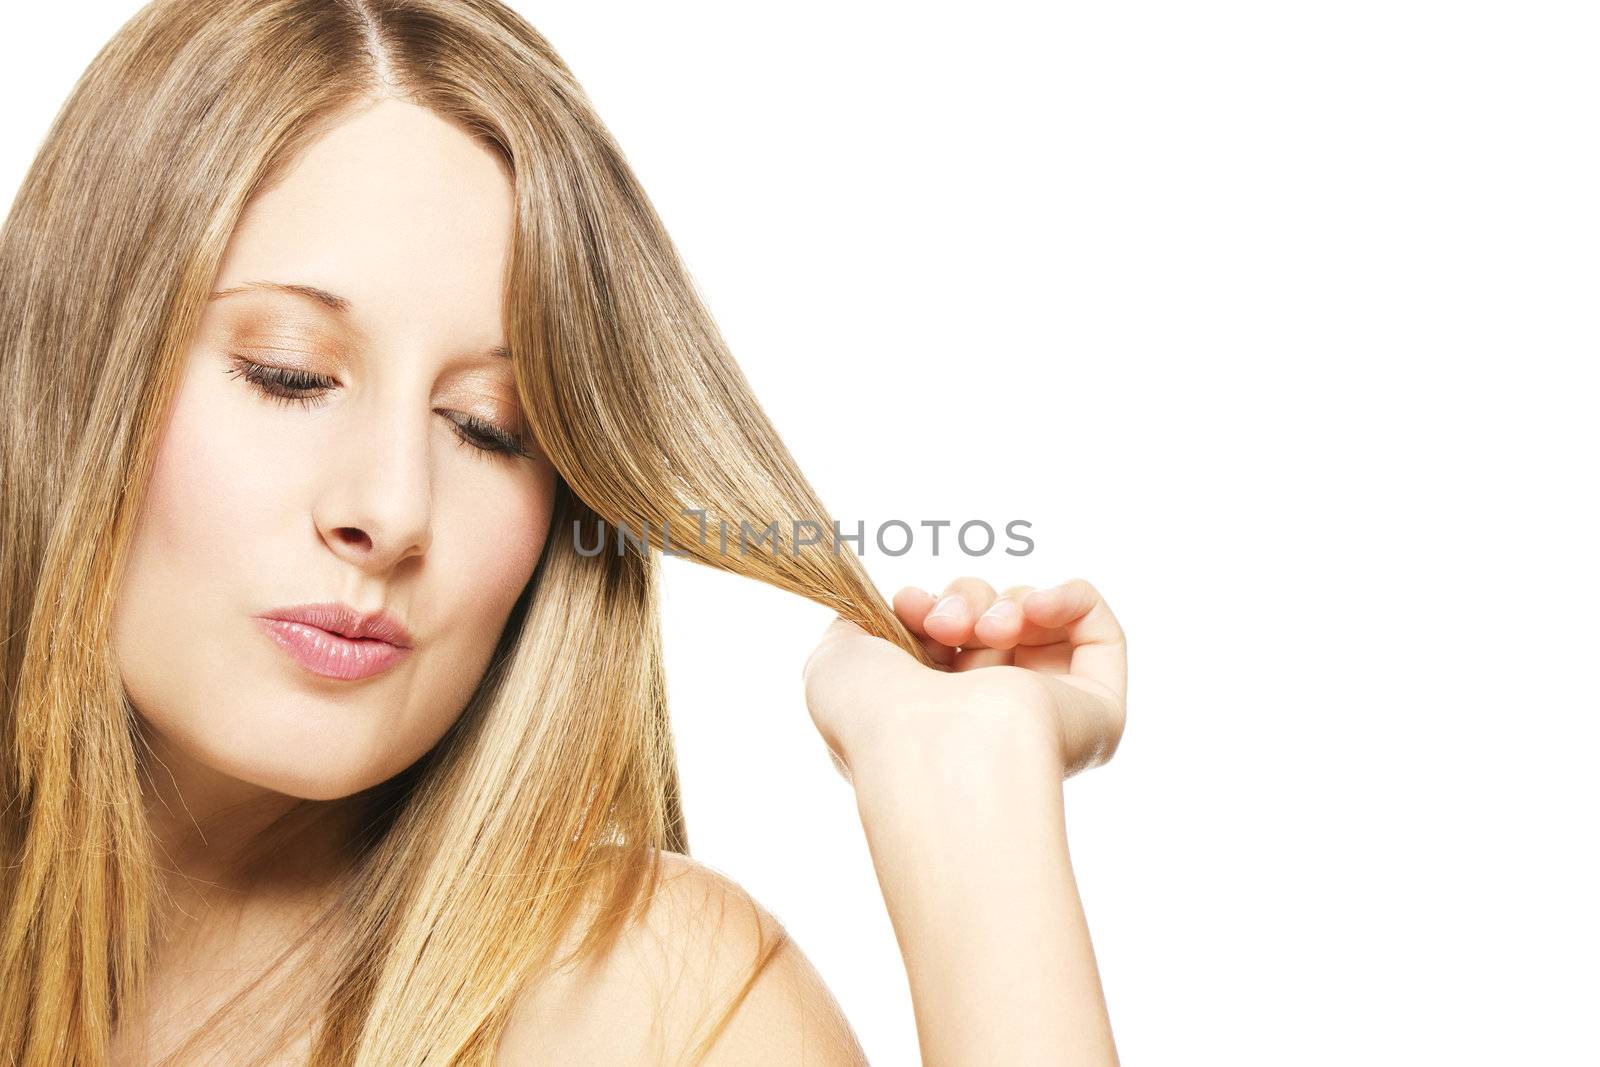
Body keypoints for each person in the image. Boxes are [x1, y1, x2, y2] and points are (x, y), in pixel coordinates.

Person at [0, 1, 1127, 1063]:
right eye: (288, 373)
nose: (391, 510)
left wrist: (963, 783)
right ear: (69, 369)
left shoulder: (644, 1001)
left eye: (490, 430)